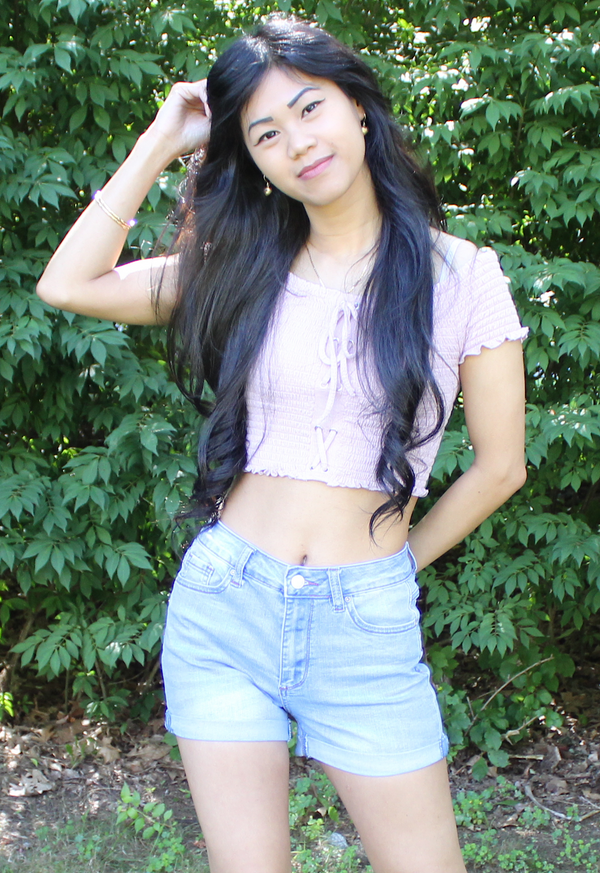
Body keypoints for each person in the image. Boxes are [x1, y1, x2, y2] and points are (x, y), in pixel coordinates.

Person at [37, 15, 528, 873]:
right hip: (226, 605)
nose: (297, 142)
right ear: (254, 162)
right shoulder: (241, 266)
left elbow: (502, 466)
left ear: (358, 107)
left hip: (363, 623)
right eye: (265, 133)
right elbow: (68, 284)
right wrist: (160, 142)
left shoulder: (462, 277)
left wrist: (395, 567)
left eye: (310, 109)